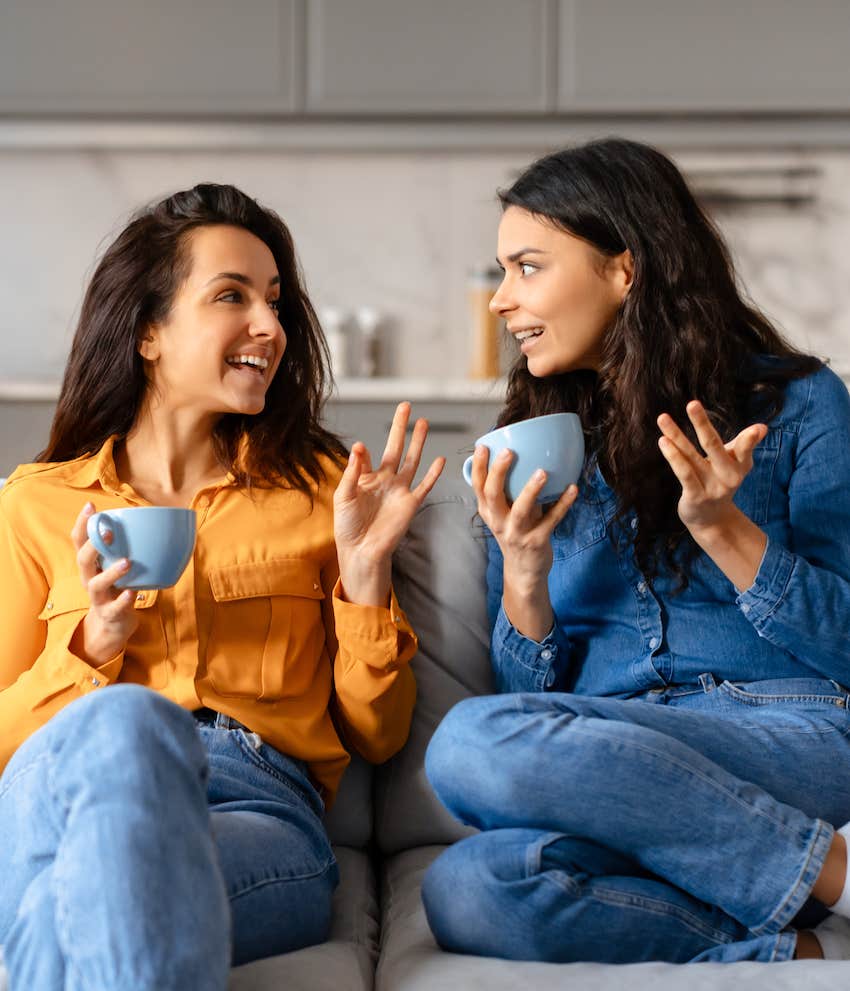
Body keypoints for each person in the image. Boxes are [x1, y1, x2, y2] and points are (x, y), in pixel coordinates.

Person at [0, 183, 444, 990]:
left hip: (257, 811)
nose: (271, 327)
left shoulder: (320, 489)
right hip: (62, 790)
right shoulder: (35, 502)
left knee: (94, 896)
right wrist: (93, 650)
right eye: (232, 296)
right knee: (129, 723)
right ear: (147, 332)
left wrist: (367, 576)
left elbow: (377, 735)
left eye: (275, 300)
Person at [421, 137, 850, 964]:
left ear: (625, 269)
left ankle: (822, 869)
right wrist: (525, 571)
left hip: (785, 735)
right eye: (502, 273)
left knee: (466, 740)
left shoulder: (798, 404)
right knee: (471, 887)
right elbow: (533, 707)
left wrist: (727, 531)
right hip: (616, 768)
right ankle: (801, 936)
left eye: (528, 267)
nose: (502, 301)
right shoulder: (533, 445)